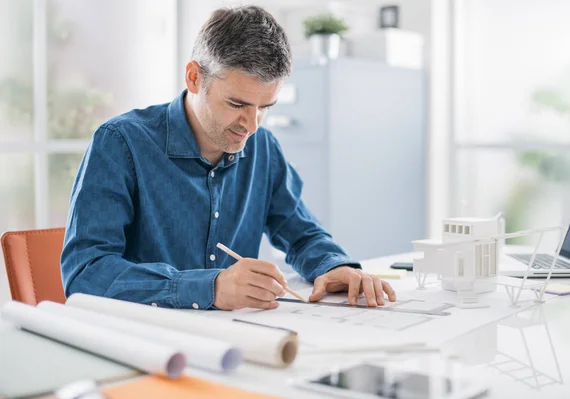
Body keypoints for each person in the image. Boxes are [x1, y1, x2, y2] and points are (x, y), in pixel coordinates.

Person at [61, 5, 396, 311]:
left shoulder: (263, 147)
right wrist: (208, 287)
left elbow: (302, 234)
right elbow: (85, 273)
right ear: (194, 77)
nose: (251, 125)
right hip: (144, 345)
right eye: (237, 104)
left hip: (234, 342)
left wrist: (334, 266)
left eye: (265, 107)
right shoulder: (120, 143)